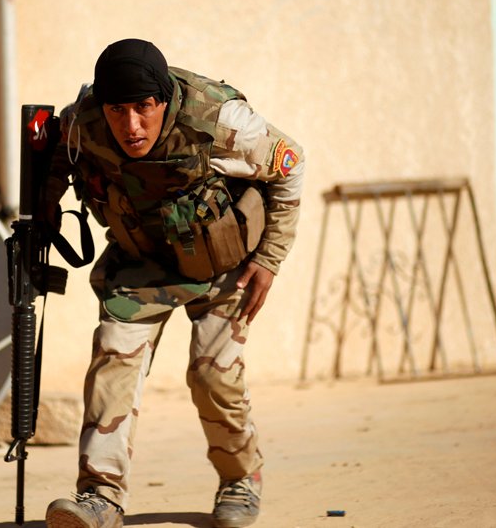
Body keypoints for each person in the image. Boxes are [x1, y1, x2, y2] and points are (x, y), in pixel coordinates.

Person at [43, 39, 304, 528]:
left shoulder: (222, 124)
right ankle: (101, 497)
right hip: (141, 261)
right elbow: (60, 153)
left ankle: (240, 480)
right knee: (112, 363)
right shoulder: (83, 120)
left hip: (224, 262)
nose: (131, 126)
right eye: (118, 111)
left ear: (163, 99)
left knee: (212, 375)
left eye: (144, 108)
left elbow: (293, 165)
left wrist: (269, 260)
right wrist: (46, 202)